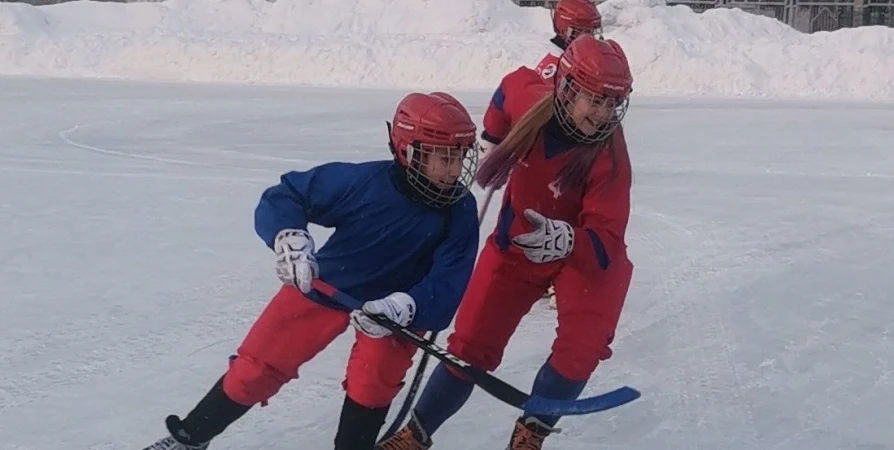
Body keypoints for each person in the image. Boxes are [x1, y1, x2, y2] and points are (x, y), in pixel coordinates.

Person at [140, 92, 482, 450]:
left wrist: (408, 306)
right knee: (256, 367)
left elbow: (449, 281)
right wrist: (288, 234)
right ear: (406, 149)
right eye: (442, 157)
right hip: (330, 282)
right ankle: (190, 438)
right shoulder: (362, 182)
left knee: (372, 383)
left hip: (395, 311)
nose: (454, 170)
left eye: (459, 156)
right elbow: (287, 195)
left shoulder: (459, 211)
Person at [375, 34, 634, 450]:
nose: (603, 114)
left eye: (611, 103)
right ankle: (416, 434)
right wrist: (495, 135)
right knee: (470, 345)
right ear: (566, 89)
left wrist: (568, 240)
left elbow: (607, 237)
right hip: (518, 245)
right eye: (595, 99)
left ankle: (531, 433)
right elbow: (508, 87)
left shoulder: (610, 156)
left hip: (585, 256)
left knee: (582, 347)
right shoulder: (530, 95)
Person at [531, 0, 604, 85]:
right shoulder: (557, 68)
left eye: (592, 32)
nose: (591, 38)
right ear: (566, 31)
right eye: (585, 32)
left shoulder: (575, 60)